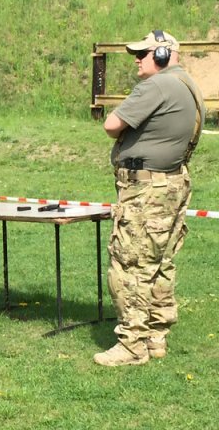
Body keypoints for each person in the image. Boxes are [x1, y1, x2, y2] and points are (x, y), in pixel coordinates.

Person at [95, 30, 206, 366]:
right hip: (172, 184)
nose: (137, 60)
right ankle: (156, 337)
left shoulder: (157, 85)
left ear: (162, 54)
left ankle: (132, 344)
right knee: (161, 263)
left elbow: (111, 125)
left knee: (130, 263)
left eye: (143, 54)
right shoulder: (188, 84)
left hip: (147, 191)